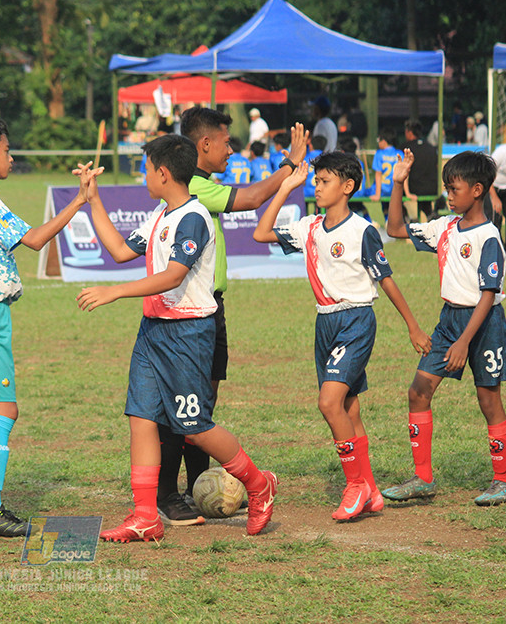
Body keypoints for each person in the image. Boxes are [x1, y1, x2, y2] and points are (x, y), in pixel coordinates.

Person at [76, 134, 278, 541]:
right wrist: (93, 200)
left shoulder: (194, 217)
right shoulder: (159, 215)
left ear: (164, 173)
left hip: (187, 335)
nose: (144, 176)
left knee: (194, 427)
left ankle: (259, 485)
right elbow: (119, 251)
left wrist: (115, 291)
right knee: (141, 418)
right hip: (153, 332)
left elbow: (173, 275)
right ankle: (145, 516)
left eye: (146, 169)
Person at [253, 152, 430, 521]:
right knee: (349, 408)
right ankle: (371, 490)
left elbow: (386, 280)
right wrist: (287, 187)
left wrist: (412, 325)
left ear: (347, 187)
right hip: (325, 323)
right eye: (315, 181)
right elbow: (261, 232)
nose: (316, 188)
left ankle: (355, 486)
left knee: (329, 403)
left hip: (356, 320)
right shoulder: (310, 227)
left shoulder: (362, 231)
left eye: (324, 181)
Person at [153, 107, 307, 527]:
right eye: (225, 142)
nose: (231, 150)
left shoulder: (201, 184)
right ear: (204, 144)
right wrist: (289, 164)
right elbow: (253, 199)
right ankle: (168, 493)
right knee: (184, 408)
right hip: (187, 312)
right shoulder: (193, 186)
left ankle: (196, 487)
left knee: (200, 405)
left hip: (209, 308)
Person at [0, 118, 91, 537]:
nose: (11, 157)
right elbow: (34, 239)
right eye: (6, 150)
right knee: (4, 409)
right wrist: (79, 201)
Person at [382, 150, 506, 507]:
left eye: (454, 189)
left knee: (489, 400)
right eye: (446, 188)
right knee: (418, 391)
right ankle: (423, 478)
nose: (448, 195)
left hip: (484, 325)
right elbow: (395, 229)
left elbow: (488, 294)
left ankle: (503, 482)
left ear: (477, 190)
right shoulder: (444, 227)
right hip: (449, 320)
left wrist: (463, 342)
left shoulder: (488, 237)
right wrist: (397, 183)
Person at [404, 120, 442, 221]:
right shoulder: (431, 148)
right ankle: (430, 215)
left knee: (394, 194)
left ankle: (406, 218)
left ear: (409, 132)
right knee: (424, 197)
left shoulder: (406, 148)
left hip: (413, 190)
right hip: (432, 189)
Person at [371, 129, 407, 222]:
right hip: (395, 188)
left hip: (383, 189)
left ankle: (370, 220)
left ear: (384, 141)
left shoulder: (379, 154)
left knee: (364, 195)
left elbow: (378, 174)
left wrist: (377, 194)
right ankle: (391, 220)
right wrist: (407, 193)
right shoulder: (400, 153)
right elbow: (404, 174)